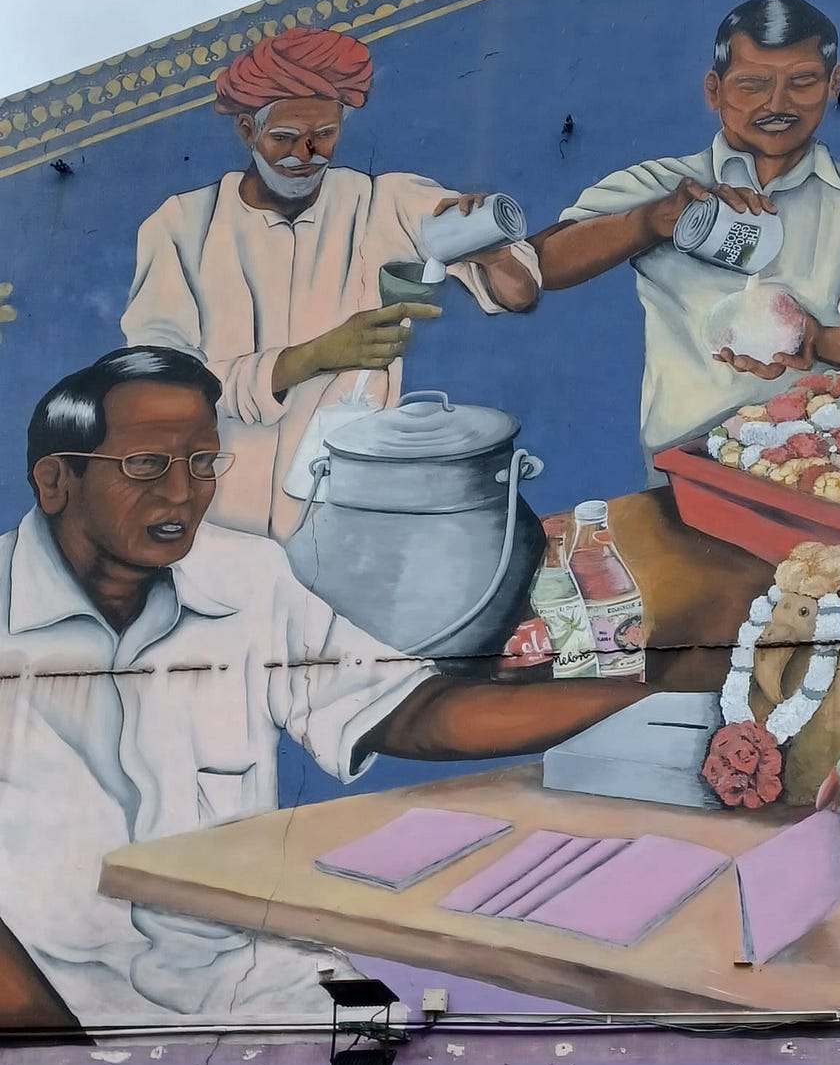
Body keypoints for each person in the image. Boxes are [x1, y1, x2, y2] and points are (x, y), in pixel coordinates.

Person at [0, 347, 644, 1028]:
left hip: (257, 971)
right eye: (147, 465)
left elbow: (410, 710)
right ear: (55, 480)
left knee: (400, 1042)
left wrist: (645, 699)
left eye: (203, 463)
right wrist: (56, 1055)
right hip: (57, 1001)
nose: (183, 493)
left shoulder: (247, 576)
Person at [120, 30, 540, 538]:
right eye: (283, 137)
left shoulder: (382, 202)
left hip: (346, 516)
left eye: (324, 134)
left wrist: (491, 249)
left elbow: (519, 294)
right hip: (217, 524)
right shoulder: (180, 226)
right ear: (248, 130)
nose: (306, 152)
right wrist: (314, 356)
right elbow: (159, 387)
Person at [534, 0, 840, 464]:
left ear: (833, 83)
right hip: (688, 459)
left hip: (826, 452)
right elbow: (541, 264)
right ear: (714, 90)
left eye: (802, 82)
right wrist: (651, 221)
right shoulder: (661, 185)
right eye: (752, 84)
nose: (777, 104)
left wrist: (813, 339)